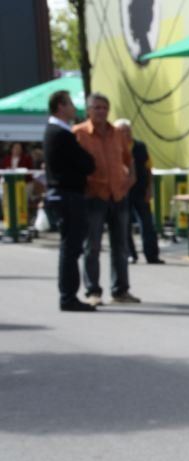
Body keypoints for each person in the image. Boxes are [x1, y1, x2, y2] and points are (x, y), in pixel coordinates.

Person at [73, 93, 140, 306]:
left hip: (118, 194)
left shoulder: (117, 133)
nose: (101, 111)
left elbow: (128, 159)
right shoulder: (79, 133)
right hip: (94, 196)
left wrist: (131, 178)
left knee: (120, 246)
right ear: (88, 110)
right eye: (97, 108)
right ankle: (93, 291)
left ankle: (120, 290)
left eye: (104, 108)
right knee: (92, 246)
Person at [43, 89, 96, 312]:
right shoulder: (61, 134)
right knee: (71, 248)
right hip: (68, 196)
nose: (74, 108)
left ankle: (68, 295)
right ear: (60, 106)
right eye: (70, 104)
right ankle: (68, 296)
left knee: (70, 247)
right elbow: (86, 163)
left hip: (65, 195)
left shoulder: (56, 132)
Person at [113, 119, 164, 264]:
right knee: (124, 224)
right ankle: (130, 254)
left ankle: (152, 255)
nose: (126, 134)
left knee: (147, 224)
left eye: (128, 130)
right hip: (123, 191)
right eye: (122, 131)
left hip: (140, 190)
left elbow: (148, 169)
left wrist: (149, 189)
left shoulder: (140, 146)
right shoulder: (114, 147)